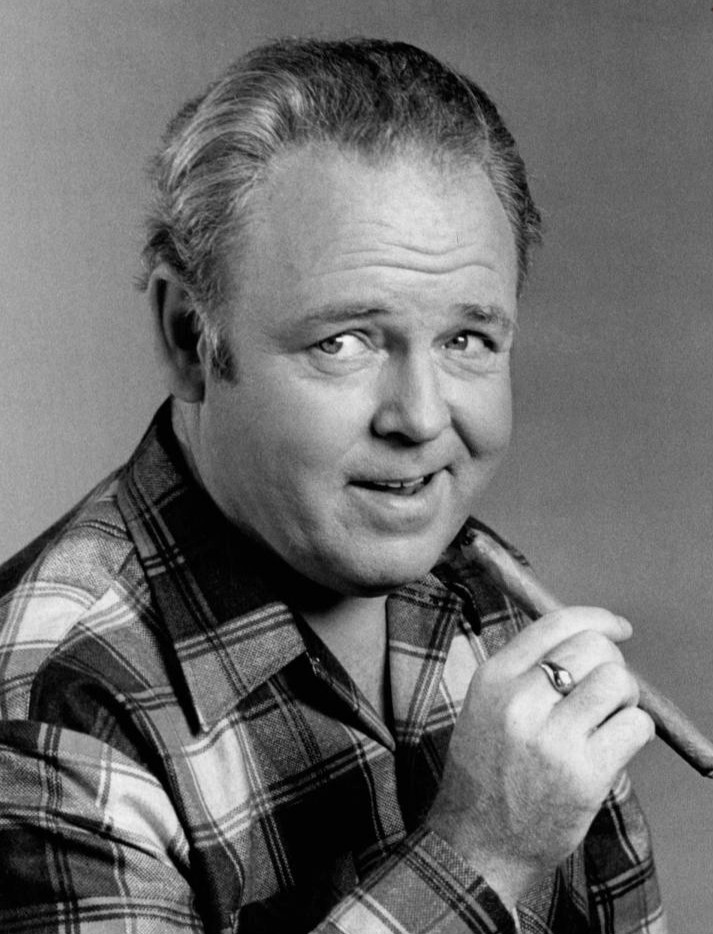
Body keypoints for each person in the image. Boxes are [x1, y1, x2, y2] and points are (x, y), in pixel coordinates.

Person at [0, 38, 665, 934]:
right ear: (188, 335)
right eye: (342, 341)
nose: (420, 419)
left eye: (466, 340)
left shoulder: (491, 604)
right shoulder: (50, 709)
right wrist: (482, 855)